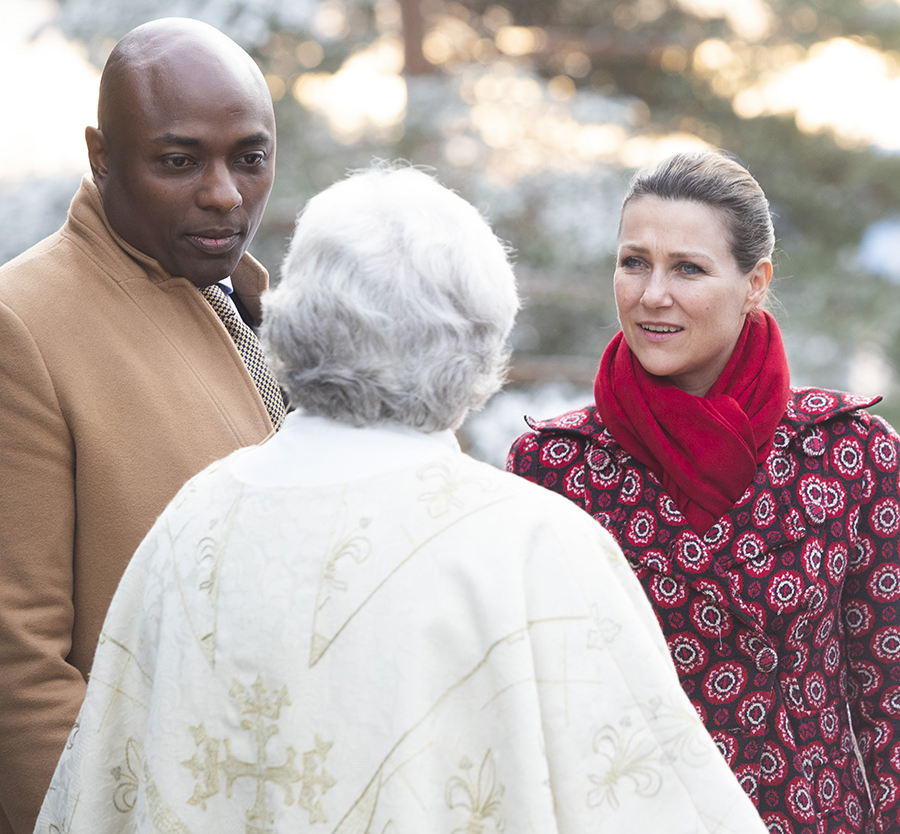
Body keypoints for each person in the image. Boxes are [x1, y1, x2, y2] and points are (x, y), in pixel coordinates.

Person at [35, 164, 768, 834]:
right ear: (481, 341)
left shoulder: (192, 520)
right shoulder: (530, 544)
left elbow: (99, 788)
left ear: (292, 318)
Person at [507, 149, 900, 834]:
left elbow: (889, 696)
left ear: (755, 283)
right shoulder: (553, 467)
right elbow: (523, 702)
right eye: (634, 261)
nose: (652, 293)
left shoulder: (851, 454)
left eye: (688, 267)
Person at [0, 17, 286, 834]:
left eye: (250, 156)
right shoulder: (23, 324)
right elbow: (18, 667)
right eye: (178, 160)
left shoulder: (259, 306)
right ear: (100, 156)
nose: (225, 191)